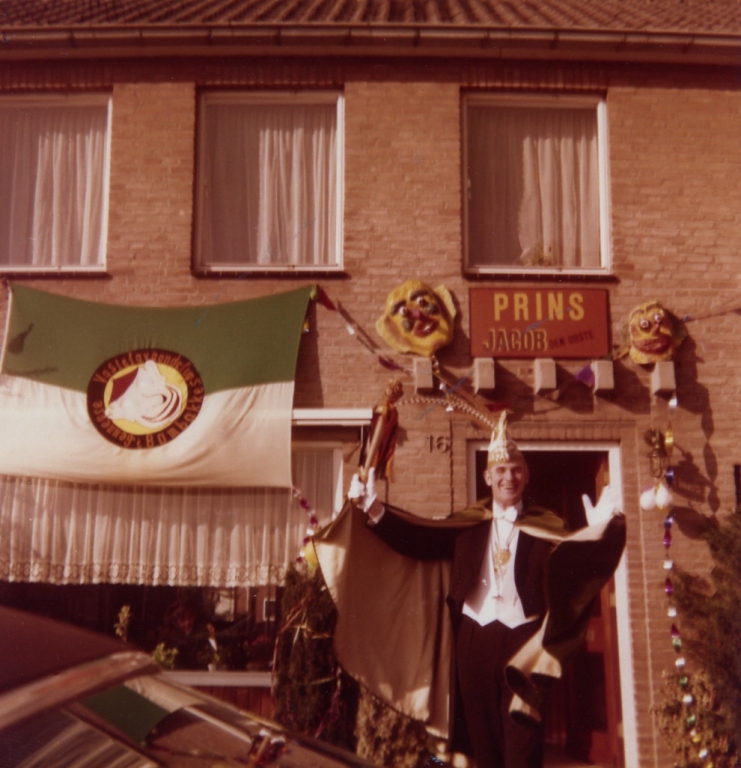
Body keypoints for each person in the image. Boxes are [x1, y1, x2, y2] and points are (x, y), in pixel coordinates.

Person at [314, 412, 625, 768]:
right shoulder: (467, 526)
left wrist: (598, 534)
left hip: (525, 648)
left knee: (522, 751)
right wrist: (373, 508)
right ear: (487, 477)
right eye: (501, 470)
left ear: (527, 475)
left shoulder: (549, 528)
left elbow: (575, 575)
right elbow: (417, 540)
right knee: (483, 752)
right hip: (473, 645)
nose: (509, 477)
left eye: (516, 470)